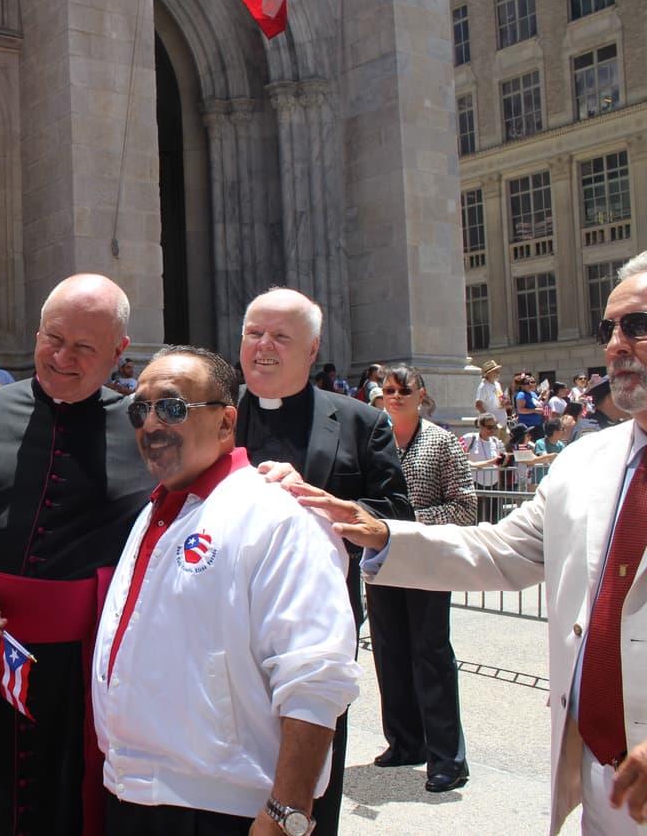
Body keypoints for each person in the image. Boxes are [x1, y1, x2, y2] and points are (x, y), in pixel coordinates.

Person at [291, 255, 647, 835]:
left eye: (637, 326)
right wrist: (383, 534)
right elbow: (501, 551)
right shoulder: (584, 464)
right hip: (605, 790)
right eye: (608, 328)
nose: (615, 345)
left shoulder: (444, 443)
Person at [0, 274, 155, 836]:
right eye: (52, 339)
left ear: (119, 352)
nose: (62, 358)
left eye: (83, 347)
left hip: (85, 678)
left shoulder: (147, 435)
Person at [93, 346, 360, 836]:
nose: (150, 424)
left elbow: (316, 676)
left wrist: (285, 812)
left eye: (172, 407)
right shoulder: (155, 510)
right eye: (139, 410)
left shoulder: (278, 515)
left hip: (224, 810)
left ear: (225, 421)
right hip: (135, 793)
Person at [234, 287, 412, 836]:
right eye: (254, 333)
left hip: (316, 631)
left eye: (280, 336)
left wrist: (323, 502)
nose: (263, 346)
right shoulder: (211, 413)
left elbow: (394, 518)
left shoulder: (361, 422)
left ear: (312, 350)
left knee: (311, 779)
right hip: (223, 624)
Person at [367, 367, 475, 792]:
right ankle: (405, 741)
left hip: (427, 563)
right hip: (382, 562)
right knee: (389, 652)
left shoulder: (441, 441)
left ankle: (447, 758)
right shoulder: (374, 439)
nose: (394, 396)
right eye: (388, 390)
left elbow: (465, 507)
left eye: (403, 390)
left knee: (430, 654)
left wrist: (407, 523)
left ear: (420, 394)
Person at [474, 360, 507, 428]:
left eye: (498, 370)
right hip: (492, 425)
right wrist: (489, 420)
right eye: (495, 371)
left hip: (502, 421)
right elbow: (478, 405)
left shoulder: (497, 384)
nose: (498, 372)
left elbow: (501, 399)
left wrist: (505, 402)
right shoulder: (483, 387)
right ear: (488, 373)